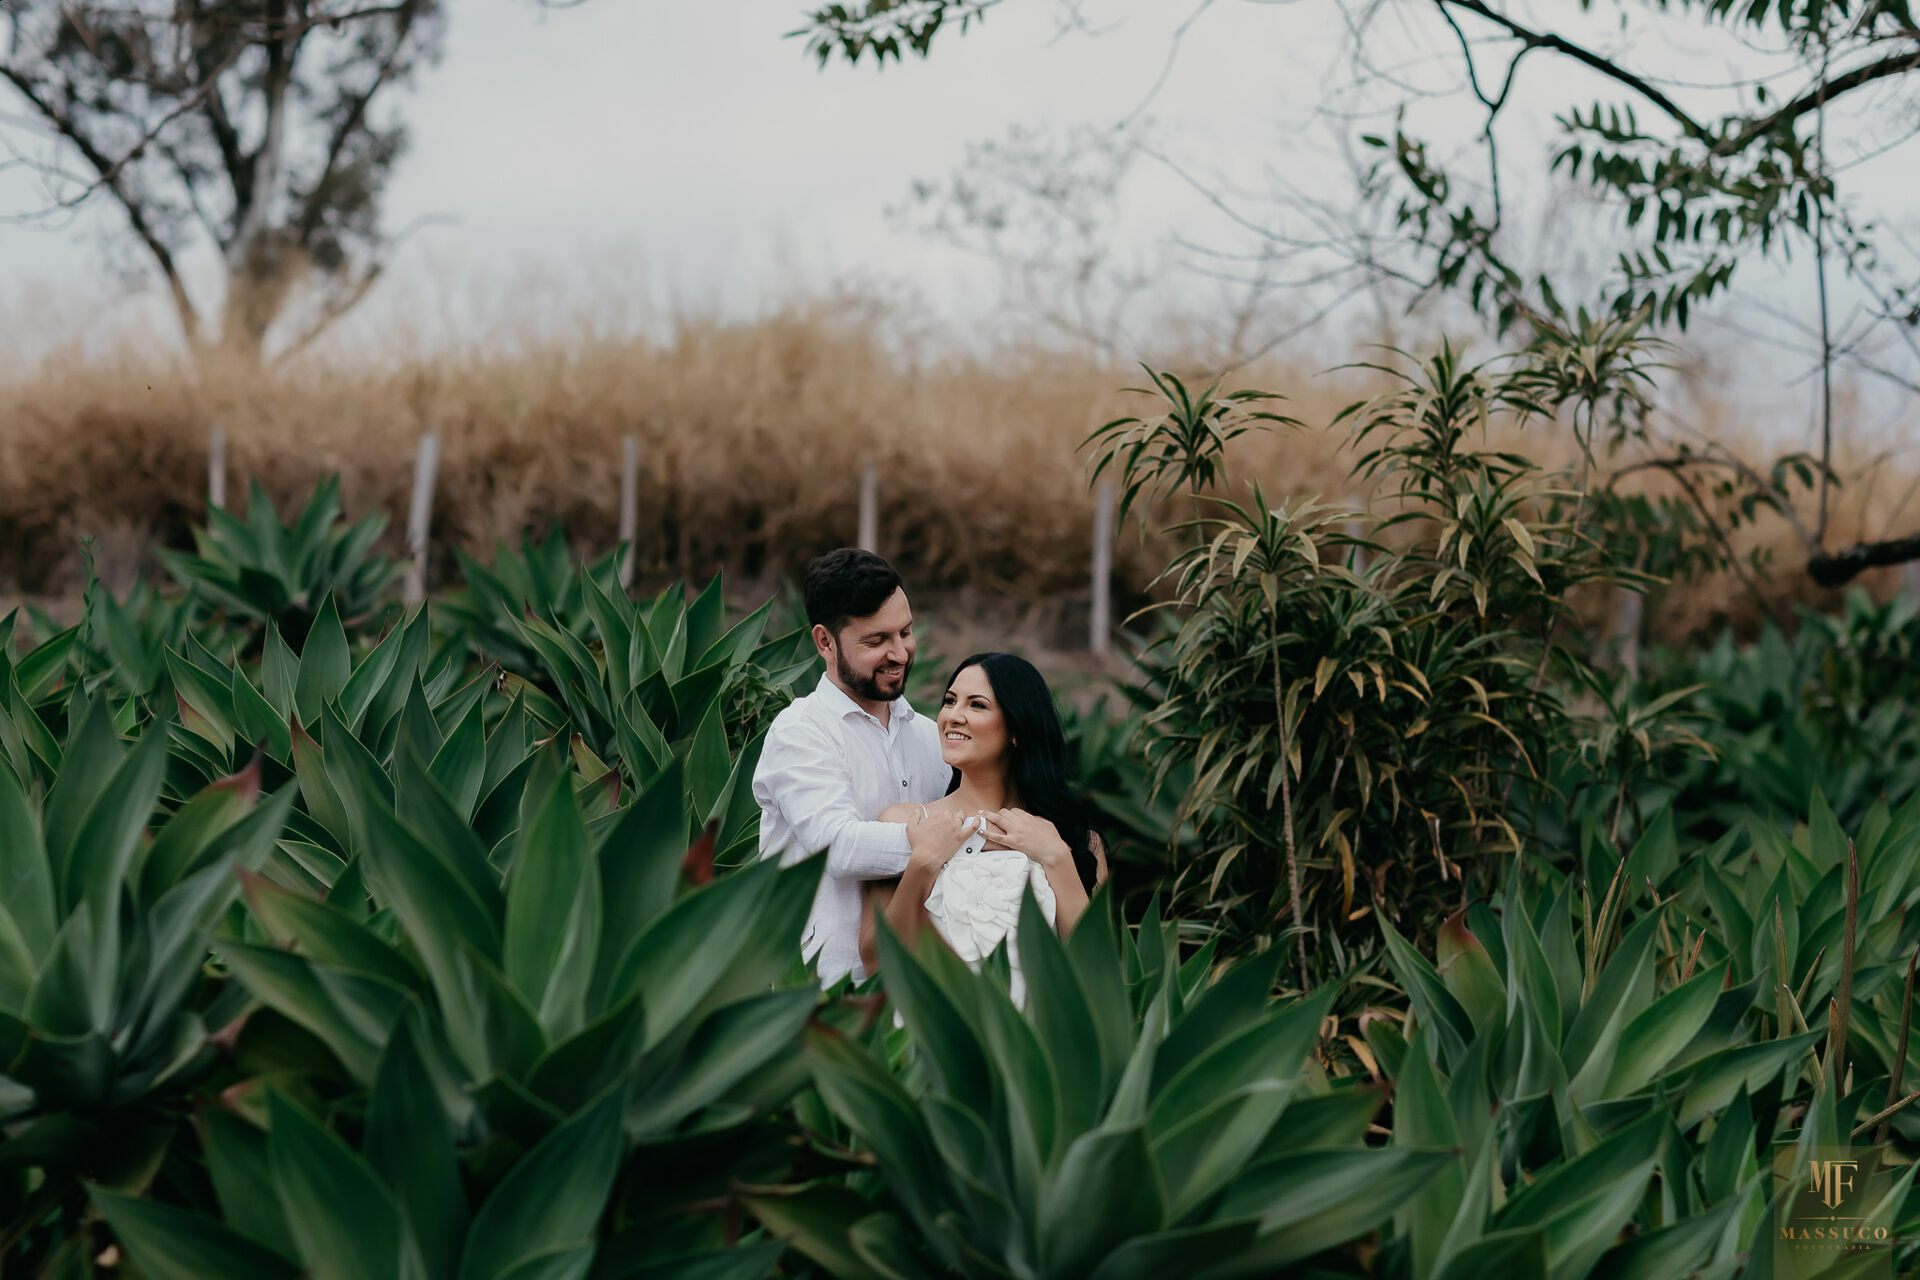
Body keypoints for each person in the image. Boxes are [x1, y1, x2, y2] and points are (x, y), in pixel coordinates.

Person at [858, 652, 1108, 1002]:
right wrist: (923, 864)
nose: (952, 716)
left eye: (976, 705)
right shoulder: (906, 822)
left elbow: (1099, 971)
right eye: (950, 701)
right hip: (933, 1038)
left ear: (1017, 730)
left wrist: (1056, 859)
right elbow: (875, 963)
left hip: (1037, 1045)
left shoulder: (1076, 839)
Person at [752, 548, 949, 986]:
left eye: (906, 632)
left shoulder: (929, 737)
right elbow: (838, 849)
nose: (899, 653)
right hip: (818, 992)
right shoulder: (800, 732)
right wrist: (955, 839)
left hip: (917, 986)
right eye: (876, 641)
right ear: (825, 642)